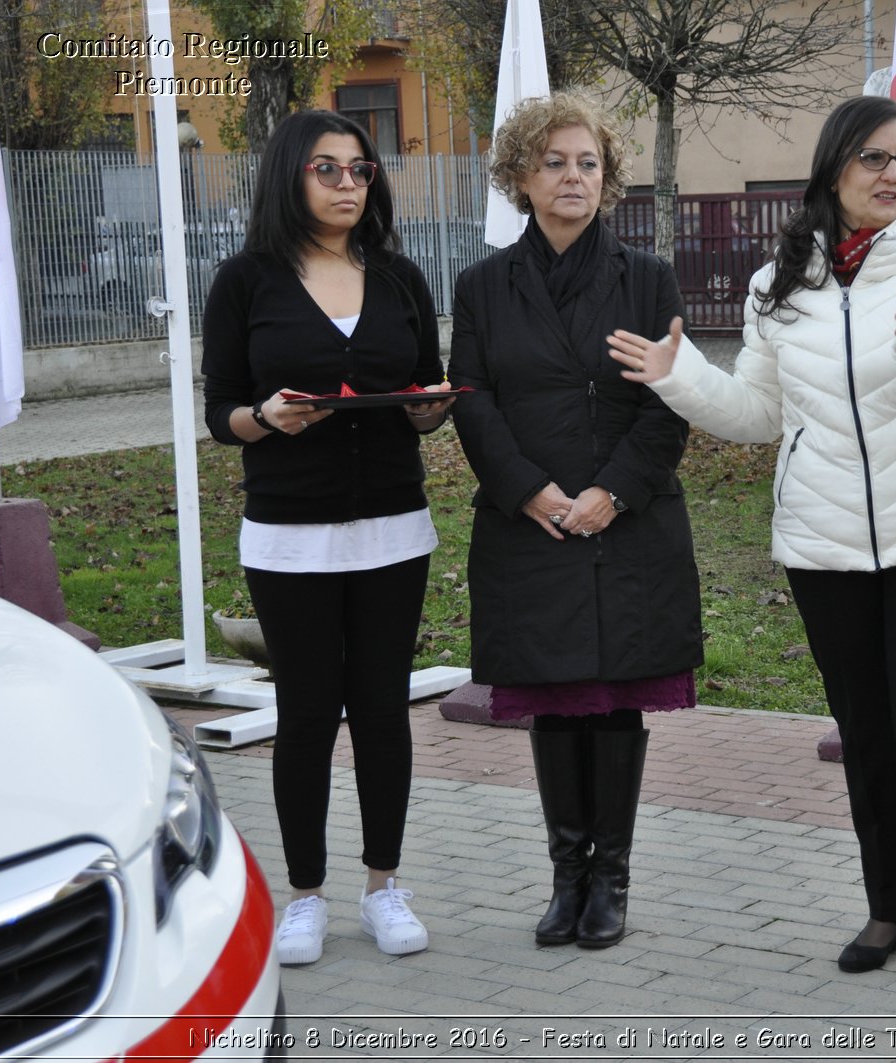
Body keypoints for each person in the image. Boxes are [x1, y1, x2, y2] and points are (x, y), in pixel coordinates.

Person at [609, 94, 896, 997]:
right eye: (874, 158)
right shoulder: (777, 282)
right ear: (834, 165)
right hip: (825, 545)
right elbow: (760, 414)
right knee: (867, 733)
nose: (891, 176)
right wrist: (680, 377)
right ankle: (888, 906)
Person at [448, 92, 703, 949]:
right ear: (522, 176)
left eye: (587, 162)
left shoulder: (646, 277)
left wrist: (613, 491)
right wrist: (530, 490)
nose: (573, 177)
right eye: (555, 161)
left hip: (626, 524)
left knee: (612, 701)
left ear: (608, 177)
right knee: (557, 702)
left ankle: (612, 882)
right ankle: (567, 878)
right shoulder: (482, 286)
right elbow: (472, 401)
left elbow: (673, 401)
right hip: (532, 524)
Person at [202, 109, 454, 966]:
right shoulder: (246, 282)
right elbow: (222, 413)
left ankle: (384, 886)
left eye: (361, 169)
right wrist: (264, 419)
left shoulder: (400, 277)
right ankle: (303, 896)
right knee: (308, 714)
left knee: (383, 711)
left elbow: (422, 389)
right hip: (288, 536)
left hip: (393, 527)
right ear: (290, 176)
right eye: (328, 169)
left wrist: (428, 412)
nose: (349, 184)